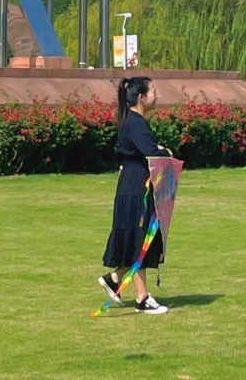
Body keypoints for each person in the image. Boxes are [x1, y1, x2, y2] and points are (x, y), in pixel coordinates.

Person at [99, 75, 172, 314]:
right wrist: (165, 150)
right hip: (136, 187)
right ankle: (142, 298)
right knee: (139, 237)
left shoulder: (135, 121)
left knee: (137, 237)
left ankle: (114, 279)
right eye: (153, 91)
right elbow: (153, 151)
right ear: (141, 97)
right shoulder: (136, 123)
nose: (156, 96)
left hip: (135, 183)